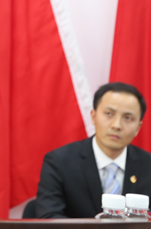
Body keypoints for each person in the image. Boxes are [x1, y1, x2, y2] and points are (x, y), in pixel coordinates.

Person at [35, 82, 151, 218]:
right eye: (109, 114)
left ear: (138, 127)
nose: (117, 125)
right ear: (93, 116)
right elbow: (49, 217)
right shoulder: (59, 162)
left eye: (128, 118)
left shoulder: (148, 166)